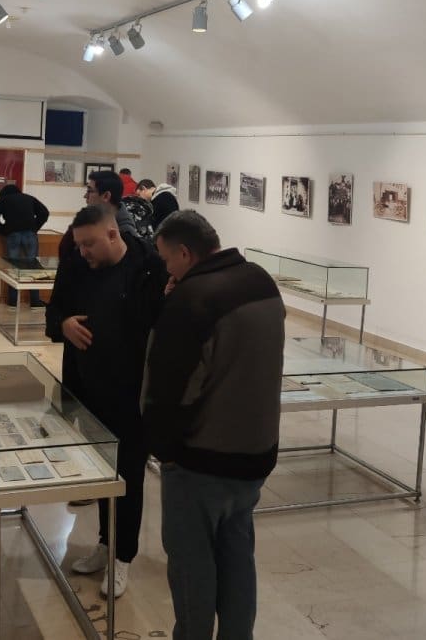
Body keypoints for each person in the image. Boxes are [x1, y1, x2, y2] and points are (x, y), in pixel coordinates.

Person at [143, 211, 285, 640]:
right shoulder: (260, 280)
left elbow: (170, 389)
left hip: (201, 461)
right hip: (254, 455)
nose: (167, 268)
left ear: (186, 253)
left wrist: (164, 450)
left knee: (191, 566)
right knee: (238, 556)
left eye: (167, 259)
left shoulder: (193, 301)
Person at [45, 204, 168, 598]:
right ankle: (104, 542)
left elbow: (165, 323)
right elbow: (55, 310)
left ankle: (123, 556)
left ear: (113, 235)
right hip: (87, 388)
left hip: (133, 394)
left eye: (89, 244)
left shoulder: (149, 266)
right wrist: (64, 324)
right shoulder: (76, 264)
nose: (82, 252)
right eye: (79, 244)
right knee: (99, 471)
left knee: (128, 476)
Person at [0, 183, 51, 306]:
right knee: (33, 266)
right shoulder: (29, 198)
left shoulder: (4, 200)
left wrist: (3, 230)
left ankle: (13, 301)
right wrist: (34, 227)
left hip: (13, 235)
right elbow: (44, 213)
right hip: (30, 235)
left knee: (13, 267)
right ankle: (35, 301)